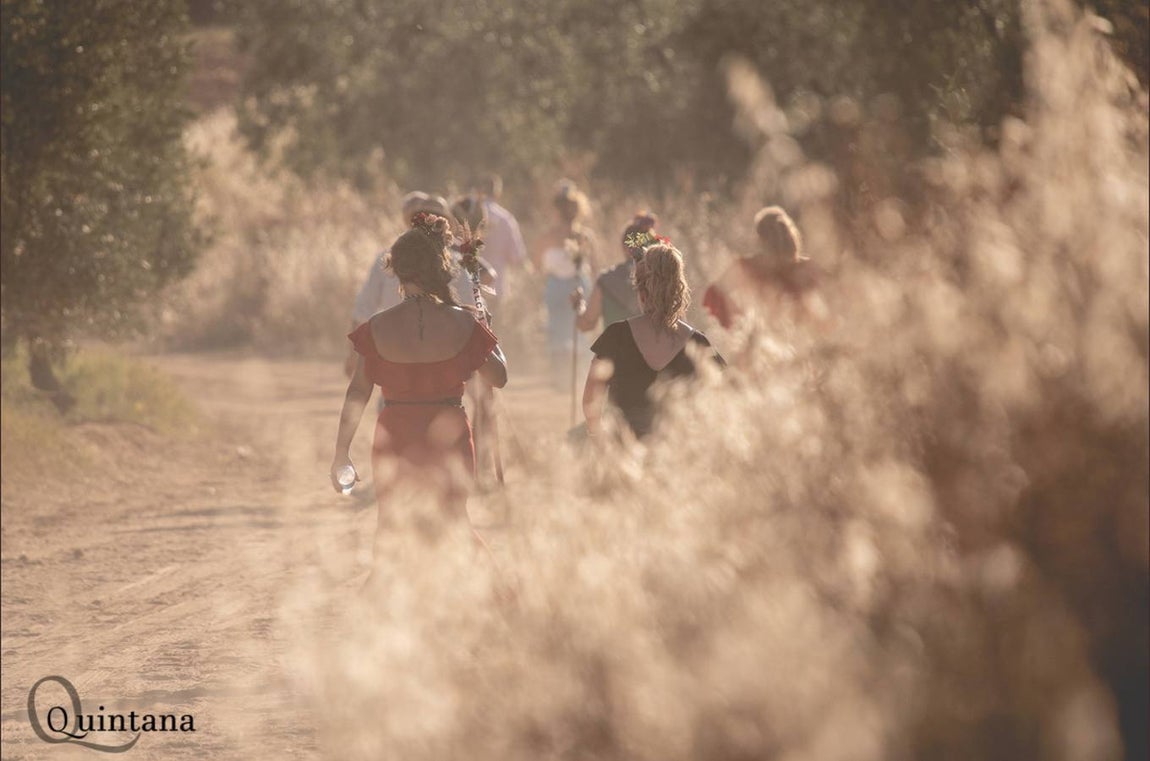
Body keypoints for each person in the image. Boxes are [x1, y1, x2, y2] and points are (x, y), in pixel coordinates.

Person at [331, 212, 508, 535]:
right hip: (450, 434)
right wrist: (488, 334)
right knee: (453, 527)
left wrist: (342, 452)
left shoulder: (377, 328)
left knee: (395, 530)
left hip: (396, 435)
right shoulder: (465, 323)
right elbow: (500, 377)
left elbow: (357, 392)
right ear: (441, 267)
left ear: (395, 269)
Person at [583, 241, 725, 439]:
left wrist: (598, 437)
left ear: (641, 291)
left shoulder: (616, 336)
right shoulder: (698, 344)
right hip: (679, 455)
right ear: (679, 290)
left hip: (625, 456)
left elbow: (591, 398)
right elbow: (726, 396)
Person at [345, 192, 489, 378]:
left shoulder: (388, 259)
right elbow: (474, 316)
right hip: (444, 369)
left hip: (395, 364)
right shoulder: (457, 264)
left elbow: (362, 311)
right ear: (444, 230)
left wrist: (352, 355)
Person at [702, 206, 826, 329]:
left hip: (774, 337)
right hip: (788, 338)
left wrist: (738, 320)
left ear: (760, 239)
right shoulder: (807, 268)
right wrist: (740, 320)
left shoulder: (748, 266)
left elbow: (712, 295)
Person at [535, 180, 596, 388]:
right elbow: (595, 266)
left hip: (556, 287)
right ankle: (576, 378)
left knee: (558, 331)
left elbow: (537, 266)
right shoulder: (584, 236)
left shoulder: (548, 236)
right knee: (577, 330)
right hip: (579, 286)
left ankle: (562, 378)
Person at [572, 211, 658, 333]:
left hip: (614, 350)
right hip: (650, 350)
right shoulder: (661, 278)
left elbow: (587, 324)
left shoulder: (606, 280)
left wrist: (579, 305)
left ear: (624, 247)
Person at [472, 173, 529, 304]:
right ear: (497, 193)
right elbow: (516, 257)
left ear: (479, 190)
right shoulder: (506, 219)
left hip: (469, 287)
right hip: (496, 286)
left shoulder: (468, 214)